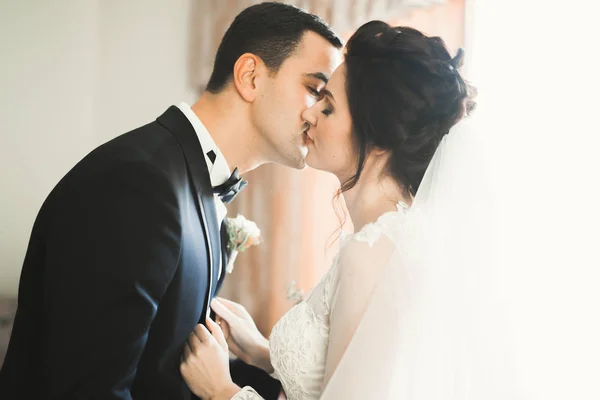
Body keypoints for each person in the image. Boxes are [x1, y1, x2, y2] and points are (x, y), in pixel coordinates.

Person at [0, 3, 342, 399]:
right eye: (315, 90)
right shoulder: (136, 184)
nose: (321, 114)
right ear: (250, 76)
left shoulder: (194, 178)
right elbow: (91, 386)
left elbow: (162, 362)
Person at [178, 21, 484, 400]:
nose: (309, 115)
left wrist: (222, 391)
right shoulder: (385, 241)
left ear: (378, 138)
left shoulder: (372, 255)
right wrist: (262, 352)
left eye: (329, 107)